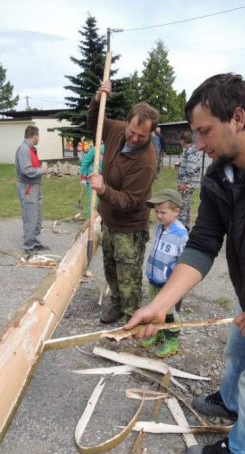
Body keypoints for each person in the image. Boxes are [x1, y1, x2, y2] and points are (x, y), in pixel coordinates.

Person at [125, 73, 245, 454]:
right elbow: (203, 244)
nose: (200, 145)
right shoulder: (221, 176)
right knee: (235, 359)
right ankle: (228, 402)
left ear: (238, 117)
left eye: (204, 132)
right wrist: (159, 305)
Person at [87, 80, 158, 324]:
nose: (135, 138)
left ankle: (132, 317)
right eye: (132, 132)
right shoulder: (117, 130)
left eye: (142, 135)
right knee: (110, 268)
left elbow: (129, 201)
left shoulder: (146, 161)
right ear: (127, 123)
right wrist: (98, 98)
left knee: (128, 274)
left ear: (151, 133)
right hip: (108, 220)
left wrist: (104, 189)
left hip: (129, 227)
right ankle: (116, 304)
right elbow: (93, 123)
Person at [141, 188, 188, 357]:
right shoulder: (161, 228)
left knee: (169, 313)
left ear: (176, 212)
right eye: (156, 212)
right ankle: (159, 332)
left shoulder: (181, 234)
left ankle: (172, 340)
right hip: (154, 279)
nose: (159, 216)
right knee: (155, 308)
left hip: (168, 284)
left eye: (163, 212)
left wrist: (174, 282)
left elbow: (184, 263)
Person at [15, 125, 49, 255]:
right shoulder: (23, 150)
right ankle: (28, 246)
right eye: (38, 136)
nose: (39, 138)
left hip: (35, 185)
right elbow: (26, 170)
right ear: (34, 136)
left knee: (37, 216)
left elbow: (32, 167)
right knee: (30, 217)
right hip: (28, 187)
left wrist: (41, 170)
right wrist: (42, 170)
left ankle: (35, 242)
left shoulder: (31, 149)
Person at [174, 130, 200, 231]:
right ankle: (185, 225)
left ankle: (181, 226)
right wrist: (180, 163)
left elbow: (190, 168)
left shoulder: (191, 151)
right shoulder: (188, 150)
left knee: (183, 205)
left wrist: (184, 183)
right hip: (187, 183)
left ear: (184, 140)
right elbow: (188, 164)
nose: (179, 142)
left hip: (187, 184)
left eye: (180, 140)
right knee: (186, 204)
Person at [80, 142, 105, 217]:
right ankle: (90, 222)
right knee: (93, 203)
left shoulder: (114, 150)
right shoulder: (95, 149)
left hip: (105, 179)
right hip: (93, 179)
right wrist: (83, 178)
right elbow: (85, 163)